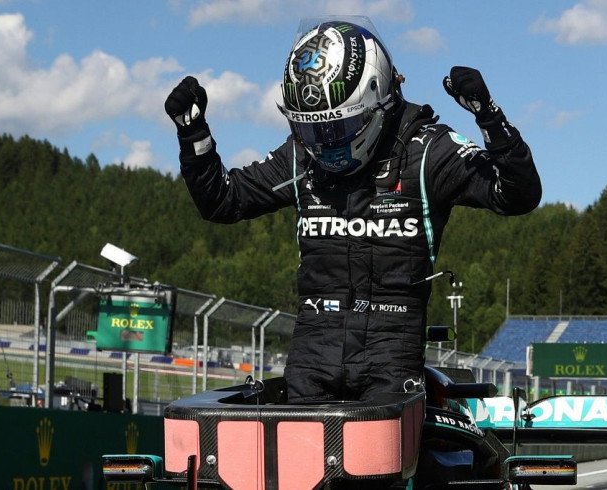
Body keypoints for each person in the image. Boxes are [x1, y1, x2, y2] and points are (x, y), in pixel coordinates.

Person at [165, 16, 541, 403]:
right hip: (312, 355)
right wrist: (194, 135)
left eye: (338, 129)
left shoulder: (427, 150)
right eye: (314, 131)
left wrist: (489, 116)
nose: (327, 145)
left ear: (376, 100)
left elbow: (516, 194)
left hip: (392, 360)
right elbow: (222, 200)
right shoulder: (301, 158)